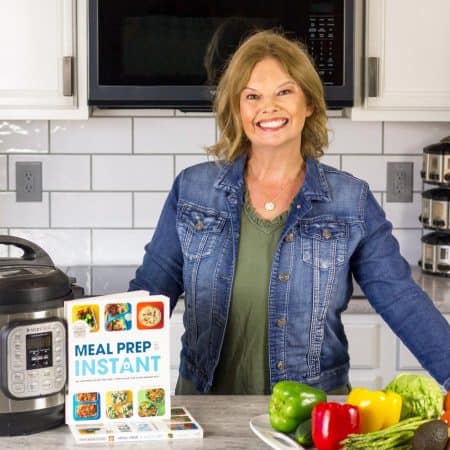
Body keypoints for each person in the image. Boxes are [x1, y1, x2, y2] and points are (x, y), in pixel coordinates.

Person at [129, 30, 450, 395]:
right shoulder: (193, 190)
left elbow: (401, 300)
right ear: (237, 109)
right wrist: (97, 370)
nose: (269, 107)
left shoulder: (350, 200)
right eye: (252, 96)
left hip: (313, 419)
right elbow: (148, 297)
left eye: (284, 92)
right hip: (205, 413)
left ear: (309, 103)